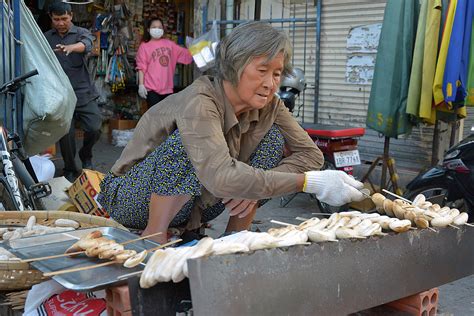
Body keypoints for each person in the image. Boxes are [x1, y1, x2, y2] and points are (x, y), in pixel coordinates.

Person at [97, 22, 365, 244]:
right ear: (234, 66)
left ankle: (235, 237)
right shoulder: (200, 101)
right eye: (262, 71)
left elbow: (310, 154)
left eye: (277, 74)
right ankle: (153, 238)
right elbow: (221, 176)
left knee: (271, 140)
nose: (270, 84)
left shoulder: (271, 104)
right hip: (132, 198)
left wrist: (253, 187)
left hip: (199, 203)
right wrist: (309, 183)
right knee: (186, 145)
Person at [44, 2, 102, 182]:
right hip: (60, 96)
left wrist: (71, 47)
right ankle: (70, 167)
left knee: (94, 127)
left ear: (71, 16)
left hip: (83, 92)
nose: (60, 23)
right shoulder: (46, 37)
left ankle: (86, 154)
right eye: (56, 19)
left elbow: (87, 44)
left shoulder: (80, 33)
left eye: (64, 19)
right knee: (65, 134)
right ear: (51, 18)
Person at [136, 17, 193, 108]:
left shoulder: (170, 44)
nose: (157, 29)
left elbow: (186, 54)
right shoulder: (144, 46)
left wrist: (196, 48)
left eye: (159, 27)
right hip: (151, 89)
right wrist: (141, 85)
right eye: (154, 27)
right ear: (148, 29)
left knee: (167, 118)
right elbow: (141, 67)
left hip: (168, 89)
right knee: (155, 117)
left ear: (163, 30)